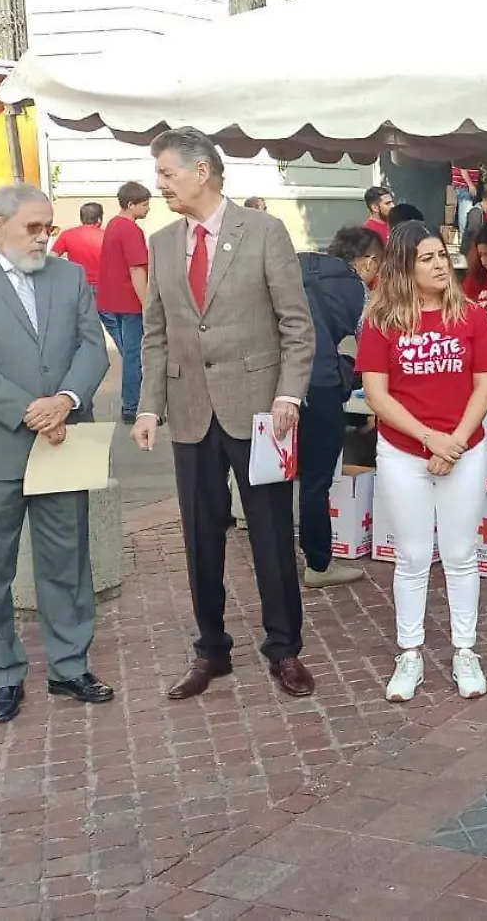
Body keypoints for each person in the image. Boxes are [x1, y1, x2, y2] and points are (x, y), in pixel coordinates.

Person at [130, 128, 317, 701]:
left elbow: (296, 324)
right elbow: (155, 334)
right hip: (190, 413)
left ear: (202, 172)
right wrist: (147, 406)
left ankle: (284, 649)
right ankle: (211, 649)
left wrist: (288, 396)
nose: (159, 184)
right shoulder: (161, 243)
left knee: (269, 535)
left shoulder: (264, 232)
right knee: (200, 538)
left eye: (166, 174)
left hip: (262, 412)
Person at [0, 183, 112, 723]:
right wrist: (30, 410)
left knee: (67, 560)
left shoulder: (69, 275)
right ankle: (3, 674)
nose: (44, 237)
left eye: (48, 227)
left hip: (63, 437)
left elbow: (90, 346)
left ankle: (70, 666)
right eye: (33, 227)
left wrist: (67, 400)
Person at [355, 222, 487, 702]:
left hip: (464, 450)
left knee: (460, 554)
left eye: (442, 255)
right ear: (404, 267)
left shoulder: (471, 316)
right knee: (413, 556)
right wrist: (428, 438)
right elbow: (377, 393)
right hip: (403, 452)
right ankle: (410, 653)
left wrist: (453, 442)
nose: (441, 264)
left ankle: (465, 650)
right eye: (428, 258)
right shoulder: (380, 321)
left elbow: (485, 384)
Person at [297, 226, 382, 590]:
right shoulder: (358, 289)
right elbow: (372, 347)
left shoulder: (293, 266)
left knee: (271, 477)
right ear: (368, 262)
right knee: (316, 479)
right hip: (321, 386)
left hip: (271, 385)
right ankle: (318, 564)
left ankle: (270, 558)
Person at [97, 182, 153, 423]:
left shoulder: (112, 225)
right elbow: (137, 269)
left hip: (110, 301)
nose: (148, 208)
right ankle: (131, 407)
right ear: (131, 205)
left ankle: (133, 403)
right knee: (135, 356)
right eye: (145, 204)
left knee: (130, 354)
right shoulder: (131, 230)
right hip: (130, 303)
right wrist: (147, 304)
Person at [52, 203, 106, 298]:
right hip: (102, 285)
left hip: (77, 284)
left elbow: (51, 258)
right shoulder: (107, 236)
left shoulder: (67, 235)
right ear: (99, 219)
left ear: (81, 219)